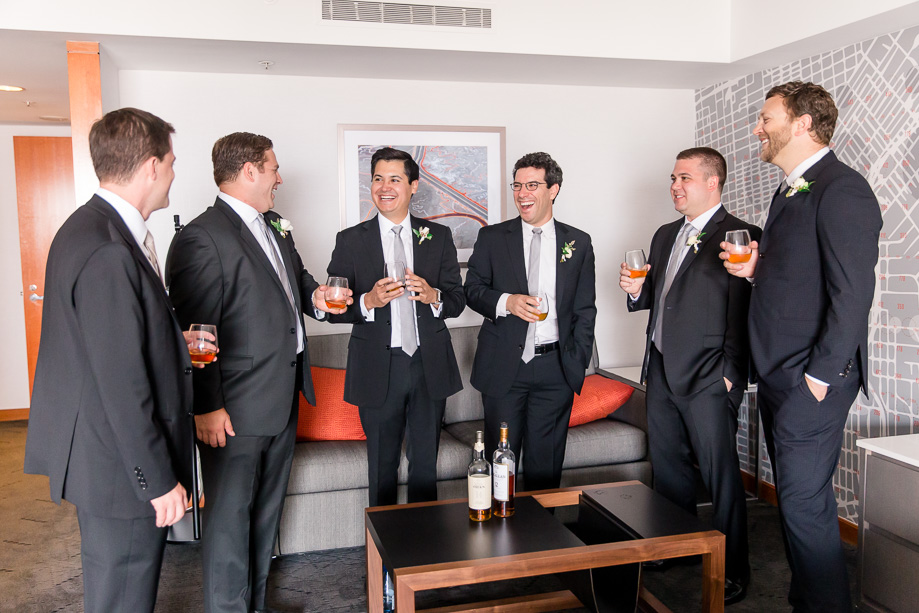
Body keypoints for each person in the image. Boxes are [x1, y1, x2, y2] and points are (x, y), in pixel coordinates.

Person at [166, 132, 349, 613]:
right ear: (248, 171)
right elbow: (196, 333)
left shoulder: (275, 225)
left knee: (265, 518)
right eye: (272, 168)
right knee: (229, 523)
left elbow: (298, 281)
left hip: (282, 396)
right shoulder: (201, 237)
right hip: (232, 409)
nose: (279, 177)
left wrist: (316, 298)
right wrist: (206, 406)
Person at [24, 108, 195, 612]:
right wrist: (158, 479)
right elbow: (121, 383)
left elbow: (110, 342)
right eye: (170, 161)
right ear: (150, 167)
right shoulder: (109, 249)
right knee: (123, 596)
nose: (172, 173)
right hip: (120, 465)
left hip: (104, 453)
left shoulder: (90, 227)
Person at [722, 81, 881, 613]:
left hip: (811, 378)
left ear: (803, 124)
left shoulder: (843, 189)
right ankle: (808, 601)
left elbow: (852, 294)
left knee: (803, 503)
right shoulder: (789, 189)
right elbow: (800, 278)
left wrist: (818, 377)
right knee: (798, 504)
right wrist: (756, 269)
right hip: (779, 374)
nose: (757, 128)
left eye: (766, 118)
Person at [620, 147, 759, 604]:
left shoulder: (741, 234)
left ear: (713, 182)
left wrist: (731, 375)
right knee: (670, 470)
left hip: (708, 376)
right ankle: (677, 549)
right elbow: (660, 299)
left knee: (720, 478)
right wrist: (637, 290)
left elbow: (746, 314)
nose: (675, 186)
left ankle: (734, 567)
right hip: (659, 368)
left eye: (684, 178)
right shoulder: (664, 235)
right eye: (673, 178)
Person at [326, 147, 465, 507]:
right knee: (381, 469)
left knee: (424, 469)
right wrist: (367, 302)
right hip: (377, 367)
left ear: (413, 186)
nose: (384, 187)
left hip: (428, 365)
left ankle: (422, 555)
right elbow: (333, 308)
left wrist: (433, 294)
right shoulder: (350, 240)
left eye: (394, 179)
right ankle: (385, 562)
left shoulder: (438, 236)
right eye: (377, 179)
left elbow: (456, 300)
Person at [465, 151, 596, 492]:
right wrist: (506, 301)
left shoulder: (577, 243)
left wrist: (576, 361)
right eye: (518, 185)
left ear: (553, 189)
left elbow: (585, 309)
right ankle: (497, 537)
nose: (523, 193)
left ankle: (543, 538)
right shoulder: (493, 238)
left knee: (546, 468)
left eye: (532, 185)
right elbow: (472, 290)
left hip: (556, 369)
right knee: (500, 463)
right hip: (504, 367)